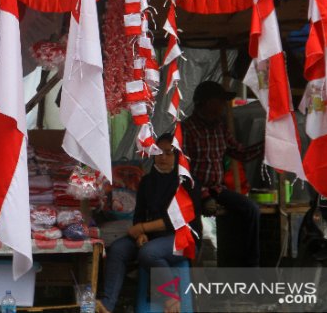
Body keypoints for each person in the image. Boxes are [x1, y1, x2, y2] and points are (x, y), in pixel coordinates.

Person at [99, 133, 201, 313]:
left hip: (182, 238)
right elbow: (139, 213)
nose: (162, 157)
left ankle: (171, 297)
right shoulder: (148, 181)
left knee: (149, 253)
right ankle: (107, 305)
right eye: (158, 152)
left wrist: (143, 228)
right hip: (153, 237)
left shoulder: (186, 181)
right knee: (118, 250)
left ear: (178, 156)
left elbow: (176, 221)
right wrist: (141, 234)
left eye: (169, 153)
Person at [182, 80, 263, 267]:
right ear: (206, 102)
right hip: (193, 189)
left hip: (217, 189)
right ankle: (192, 273)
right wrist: (203, 195)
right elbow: (184, 171)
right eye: (219, 101)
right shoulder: (187, 129)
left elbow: (240, 153)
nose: (222, 106)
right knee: (194, 225)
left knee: (251, 210)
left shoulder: (220, 127)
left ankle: (251, 269)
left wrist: (265, 146)